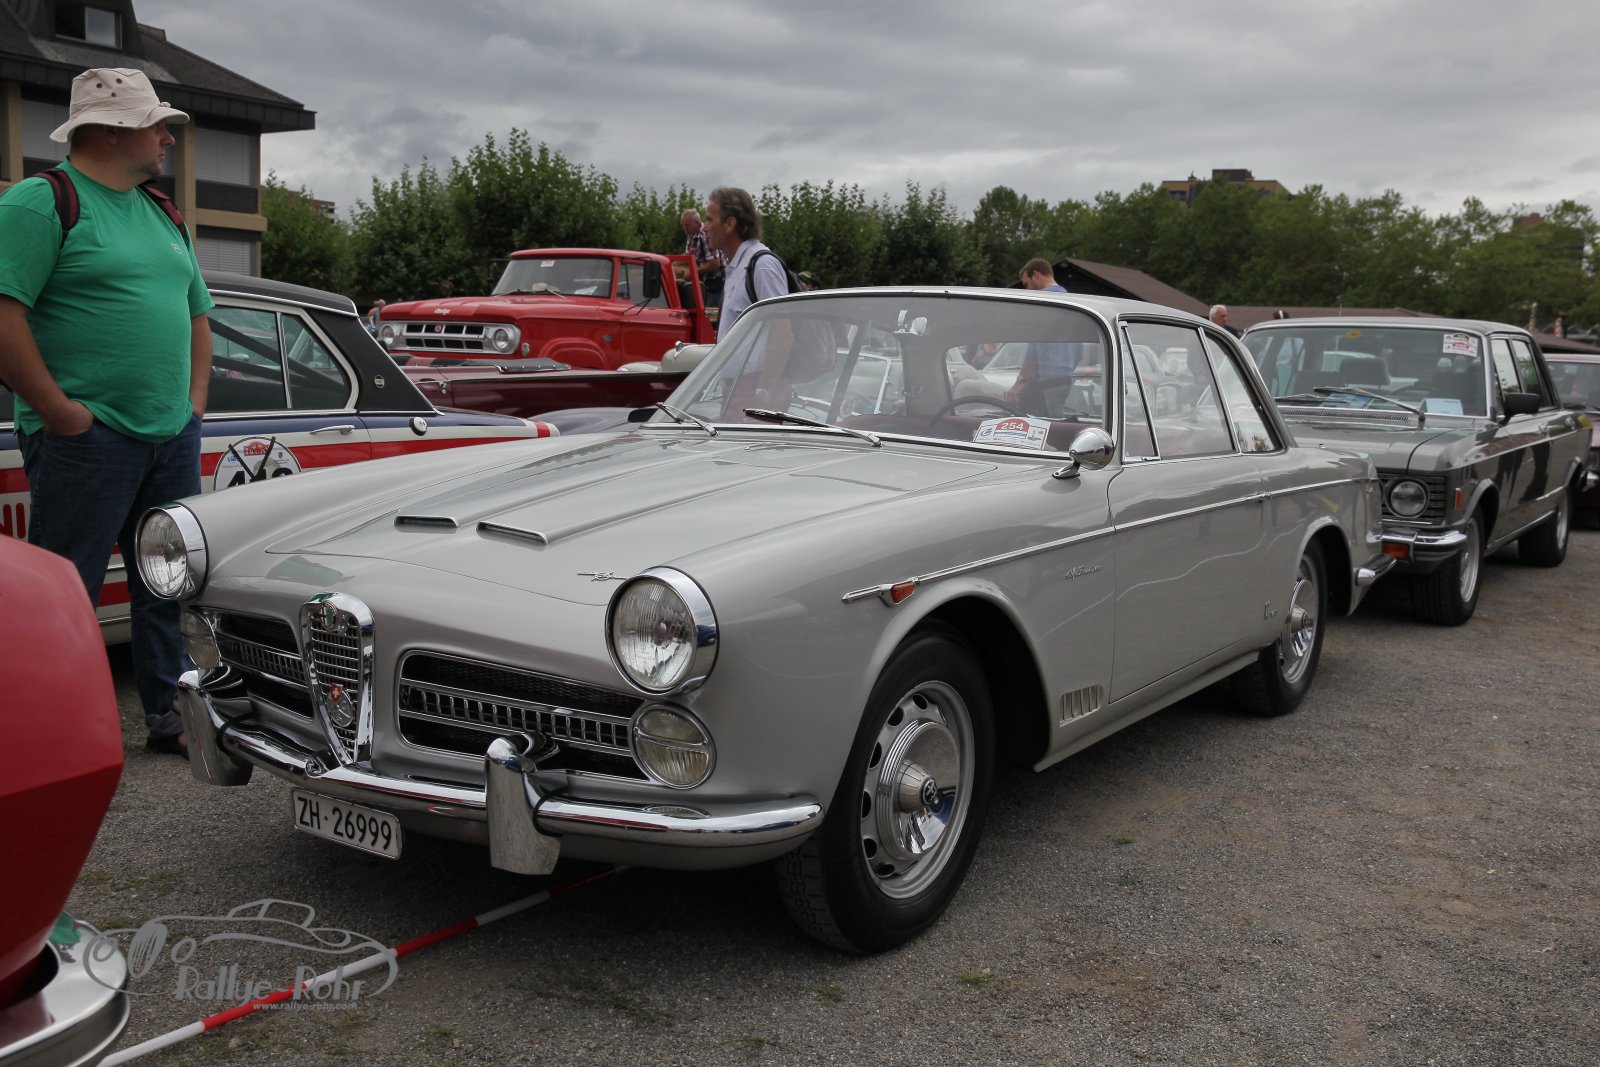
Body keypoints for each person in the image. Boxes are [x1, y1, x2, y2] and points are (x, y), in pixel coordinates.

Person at [0, 67, 213, 759]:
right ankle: (46, 738)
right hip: (87, 440)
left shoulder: (162, 211)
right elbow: (4, 316)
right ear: (115, 131)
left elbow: (197, 313)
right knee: (66, 591)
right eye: (158, 126)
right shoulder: (42, 202)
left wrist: (194, 404)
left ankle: (169, 715)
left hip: (169, 434)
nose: (167, 139)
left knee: (165, 584)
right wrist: (59, 411)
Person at [702, 187, 790, 338]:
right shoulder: (738, 265)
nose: (704, 227)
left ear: (730, 224)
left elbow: (782, 335)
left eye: (710, 220)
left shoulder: (762, 266)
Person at [1007, 257, 1075, 407]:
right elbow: (1079, 349)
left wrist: (1020, 382)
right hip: (1066, 378)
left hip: (1044, 379)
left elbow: (1034, 346)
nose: (1027, 290)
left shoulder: (1043, 302)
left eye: (1027, 284)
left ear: (1036, 275)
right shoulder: (1071, 302)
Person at [680, 208, 725, 308]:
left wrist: (694, 271)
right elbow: (688, 256)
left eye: (686, 225)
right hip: (704, 282)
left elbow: (715, 263)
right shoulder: (691, 235)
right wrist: (672, 263)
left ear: (697, 223)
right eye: (683, 225)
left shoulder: (705, 235)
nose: (684, 228)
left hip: (716, 282)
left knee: (710, 313)